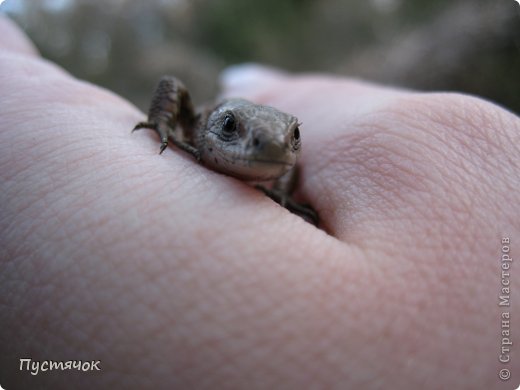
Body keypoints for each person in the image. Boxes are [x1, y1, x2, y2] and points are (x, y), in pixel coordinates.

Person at [0, 15, 518, 389]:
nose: (268, 149)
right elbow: (171, 87)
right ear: (210, 127)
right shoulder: (194, 121)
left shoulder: (284, 173)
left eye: (289, 140)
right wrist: (158, 126)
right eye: (232, 130)